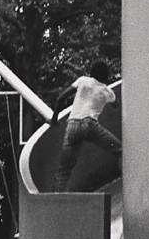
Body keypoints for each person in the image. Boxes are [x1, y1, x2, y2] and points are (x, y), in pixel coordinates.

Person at [51, 61, 120, 192]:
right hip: (89, 125)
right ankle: (128, 185)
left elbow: (60, 99)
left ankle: (56, 203)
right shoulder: (107, 91)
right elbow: (116, 104)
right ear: (106, 75)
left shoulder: (82, 80)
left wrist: (54, 119)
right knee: (120, 150)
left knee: (63, 170)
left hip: (71, 125)